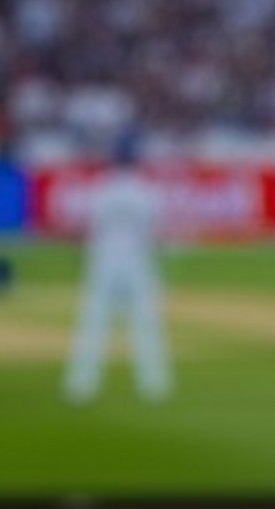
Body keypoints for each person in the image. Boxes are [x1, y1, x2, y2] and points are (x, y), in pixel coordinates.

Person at [62, 135, 172, 405]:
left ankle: (81, 384)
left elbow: (90, 229)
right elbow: (154, 234)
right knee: (146, 323)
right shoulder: (145, 191)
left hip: (105, 261)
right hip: (136, 261)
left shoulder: (102, 189)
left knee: (93, 323)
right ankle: (154, 384)